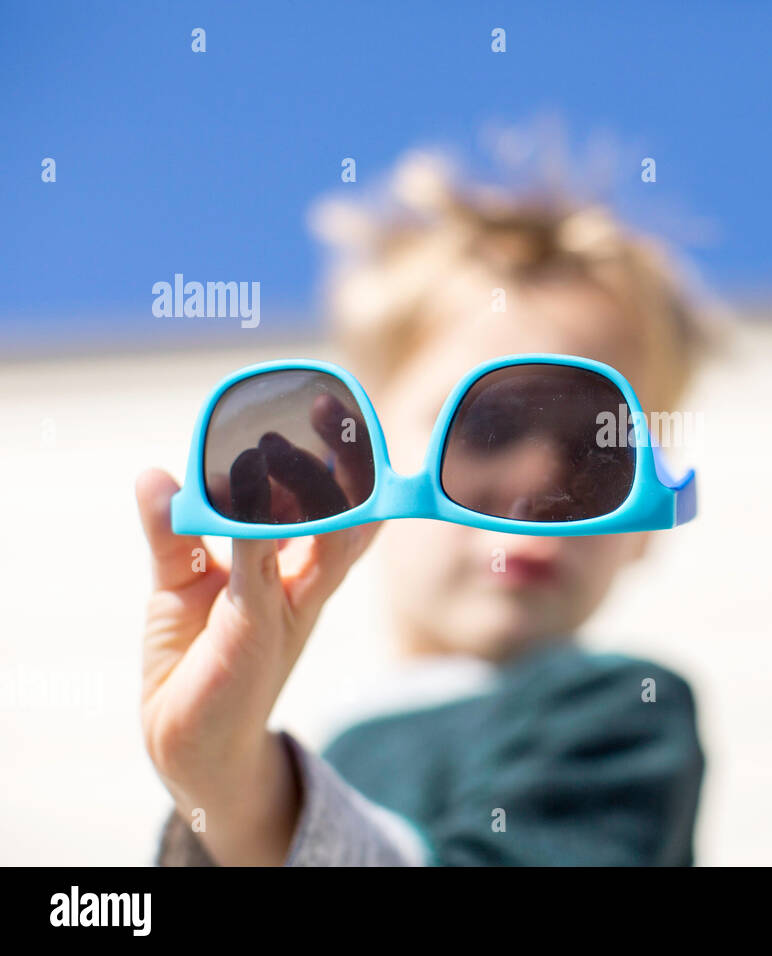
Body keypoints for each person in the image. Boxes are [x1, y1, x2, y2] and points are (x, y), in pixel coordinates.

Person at [134, 150, 717, 865]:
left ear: (648, 523)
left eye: (598, 450)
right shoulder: (338, 746)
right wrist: (226, 785)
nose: (538, 483)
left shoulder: (623, 710)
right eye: (487, 426)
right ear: (355, 461)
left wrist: (242, 793)